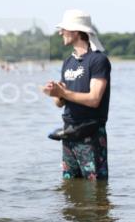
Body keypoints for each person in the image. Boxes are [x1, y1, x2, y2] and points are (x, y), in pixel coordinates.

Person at [43, 10, 111, 180]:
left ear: (75, 31)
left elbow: (94, 99)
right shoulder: (68, 62)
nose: (60, 33)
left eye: (63, 29)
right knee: (69, 187)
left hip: (91, 134)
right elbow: (60, 103)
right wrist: (55, 94)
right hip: (68, 133)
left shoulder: (98, 60)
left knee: (96, 189)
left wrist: (63, 92)